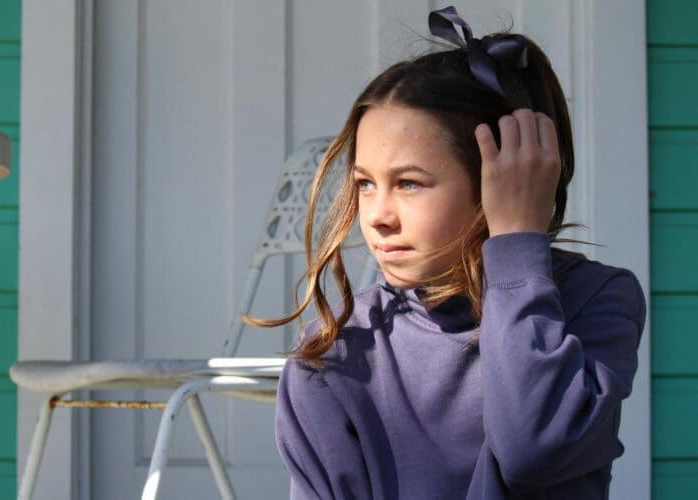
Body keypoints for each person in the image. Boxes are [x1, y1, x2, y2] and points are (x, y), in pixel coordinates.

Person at [250, 6, 646, 499]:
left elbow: (535, 448)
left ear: (502, 178)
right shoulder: (335, 354)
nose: (377, 215)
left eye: (410, 183)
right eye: (366, 184)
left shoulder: (595, 300)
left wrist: (516, 246)